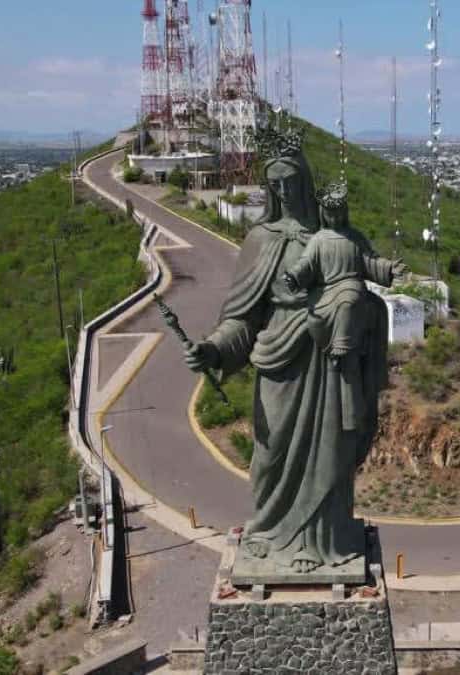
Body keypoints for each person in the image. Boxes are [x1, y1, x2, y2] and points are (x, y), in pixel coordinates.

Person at [183, 134, 391, 574]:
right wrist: (213, 349)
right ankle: (270, 533)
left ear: (306, 181)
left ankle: (324, 543)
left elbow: (368, 289)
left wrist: (360, 315)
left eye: (291, 181)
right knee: (271, 455)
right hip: (280, 361)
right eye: (275, 184)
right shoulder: (261, 240)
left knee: (331, 455)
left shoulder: (336, 234)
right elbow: (241, 318)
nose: (284, 191)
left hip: (331, 365)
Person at [282, 182, 407, 371]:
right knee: (321, 314)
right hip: (325, 292)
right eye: (330, 214)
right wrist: (294, 276)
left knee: (348, 300)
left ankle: (342, 346)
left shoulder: (355, 237)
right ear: (323, 214)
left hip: (351, 286)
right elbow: (306, 263)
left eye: (339, 213)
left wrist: (389, 268)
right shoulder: (318, 239)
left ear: (345, 212)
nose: (335, 218)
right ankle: (331, 345)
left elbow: (370, 261)